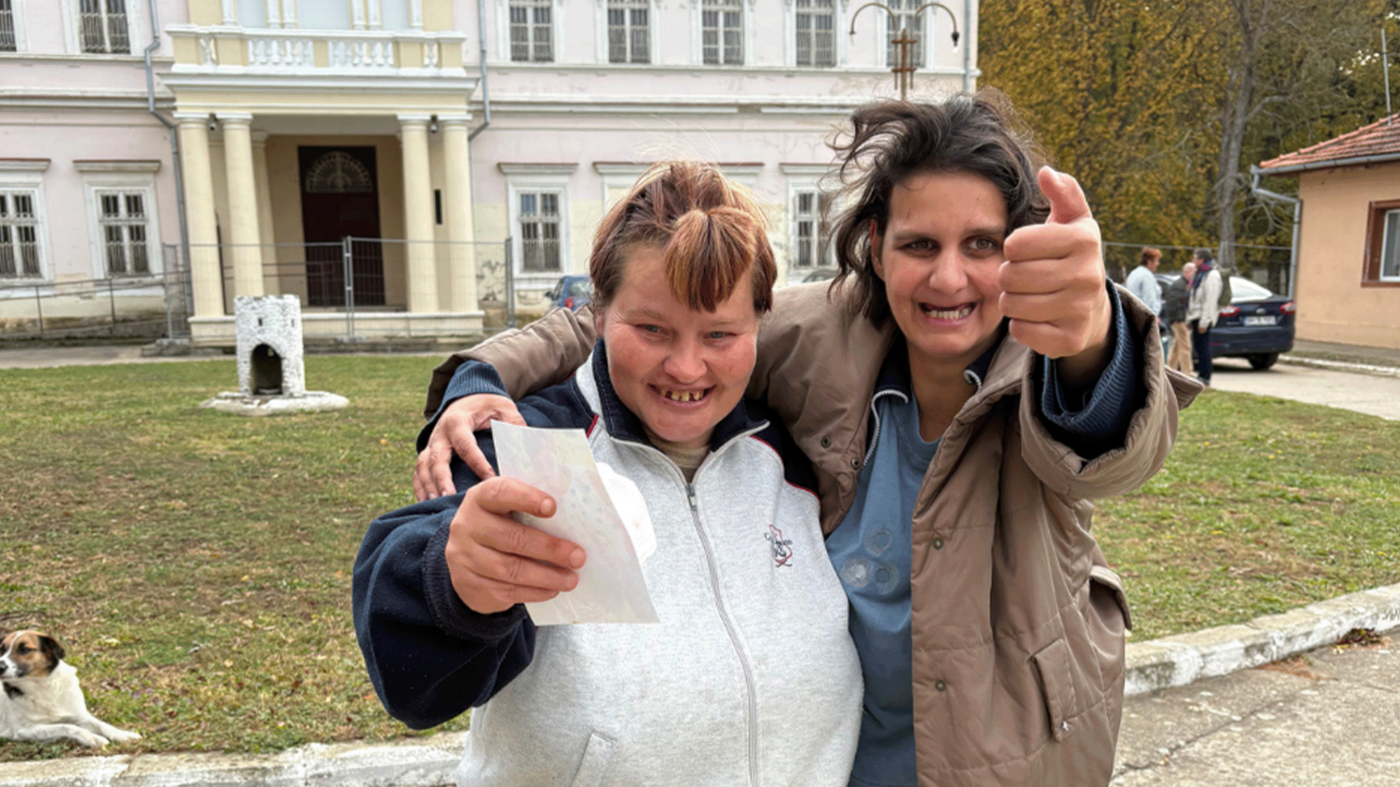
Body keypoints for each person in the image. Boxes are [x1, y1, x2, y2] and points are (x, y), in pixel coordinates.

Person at [413, 95, 1199, 786]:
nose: (950, 279)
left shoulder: (1052, 352)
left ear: (1018, 252)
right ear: (875, 244)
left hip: (1014, 751)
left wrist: (1096, 336)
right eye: (920, 244)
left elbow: (1119, 445)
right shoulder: (822, 332)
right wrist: (480, 376)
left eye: (982, 245)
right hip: (845, 756)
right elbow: (632, 318)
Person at [353, 162, 864, 786]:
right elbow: (412, 677)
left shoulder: (794, 456)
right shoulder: (532, 446)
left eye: (720, 333)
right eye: (651, 329)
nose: (686, 367)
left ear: (761, 324)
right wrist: (451, 580)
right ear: (597, 314)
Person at [1186, 248, 1223, 387]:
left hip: (1203, 318)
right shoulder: (1200, 274)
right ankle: (1201, 374)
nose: (1193, 261)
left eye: (1195, 258)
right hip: (1196, 316)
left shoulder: (1212, 275)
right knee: (1198, 347)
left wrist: (1205, 321)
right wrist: (1189, 319)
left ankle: (1205, 376)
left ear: (1202, 260)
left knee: (1204, 348)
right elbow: (1193, 298)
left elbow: (1210, 301)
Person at [1165, 261, 1195, 375]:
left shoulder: (1182, 284)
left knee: (1177, 346)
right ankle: (1187, 372)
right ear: (1186, 272)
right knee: (1185, 346)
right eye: (1193, 271)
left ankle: (1170, 370)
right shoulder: (1180, 285)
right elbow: (1174, 304)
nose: (1195, 274)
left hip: (1178, 318)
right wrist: (1181, 318)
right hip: (1179, 319)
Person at [1124, 247, 1163, 318]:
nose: (1157, 264)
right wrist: (1153, 315)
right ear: (1149, 261)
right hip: (1144, 317)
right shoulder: (1146, 276)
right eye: (1156, 261)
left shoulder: (1134, 273)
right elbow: (1149, 298)